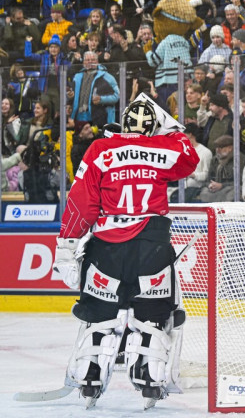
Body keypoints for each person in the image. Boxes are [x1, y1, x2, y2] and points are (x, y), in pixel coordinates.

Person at [51, 95, 199, 407]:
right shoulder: (163, 147)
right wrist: (170, 129)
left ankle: (91, 373)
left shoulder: (101, 149)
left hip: (106, 249)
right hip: (152, 245)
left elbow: (82, 200)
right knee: (152, 316)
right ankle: (149, 373)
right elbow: (190, 158)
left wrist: (66, 245)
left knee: (99, 317)